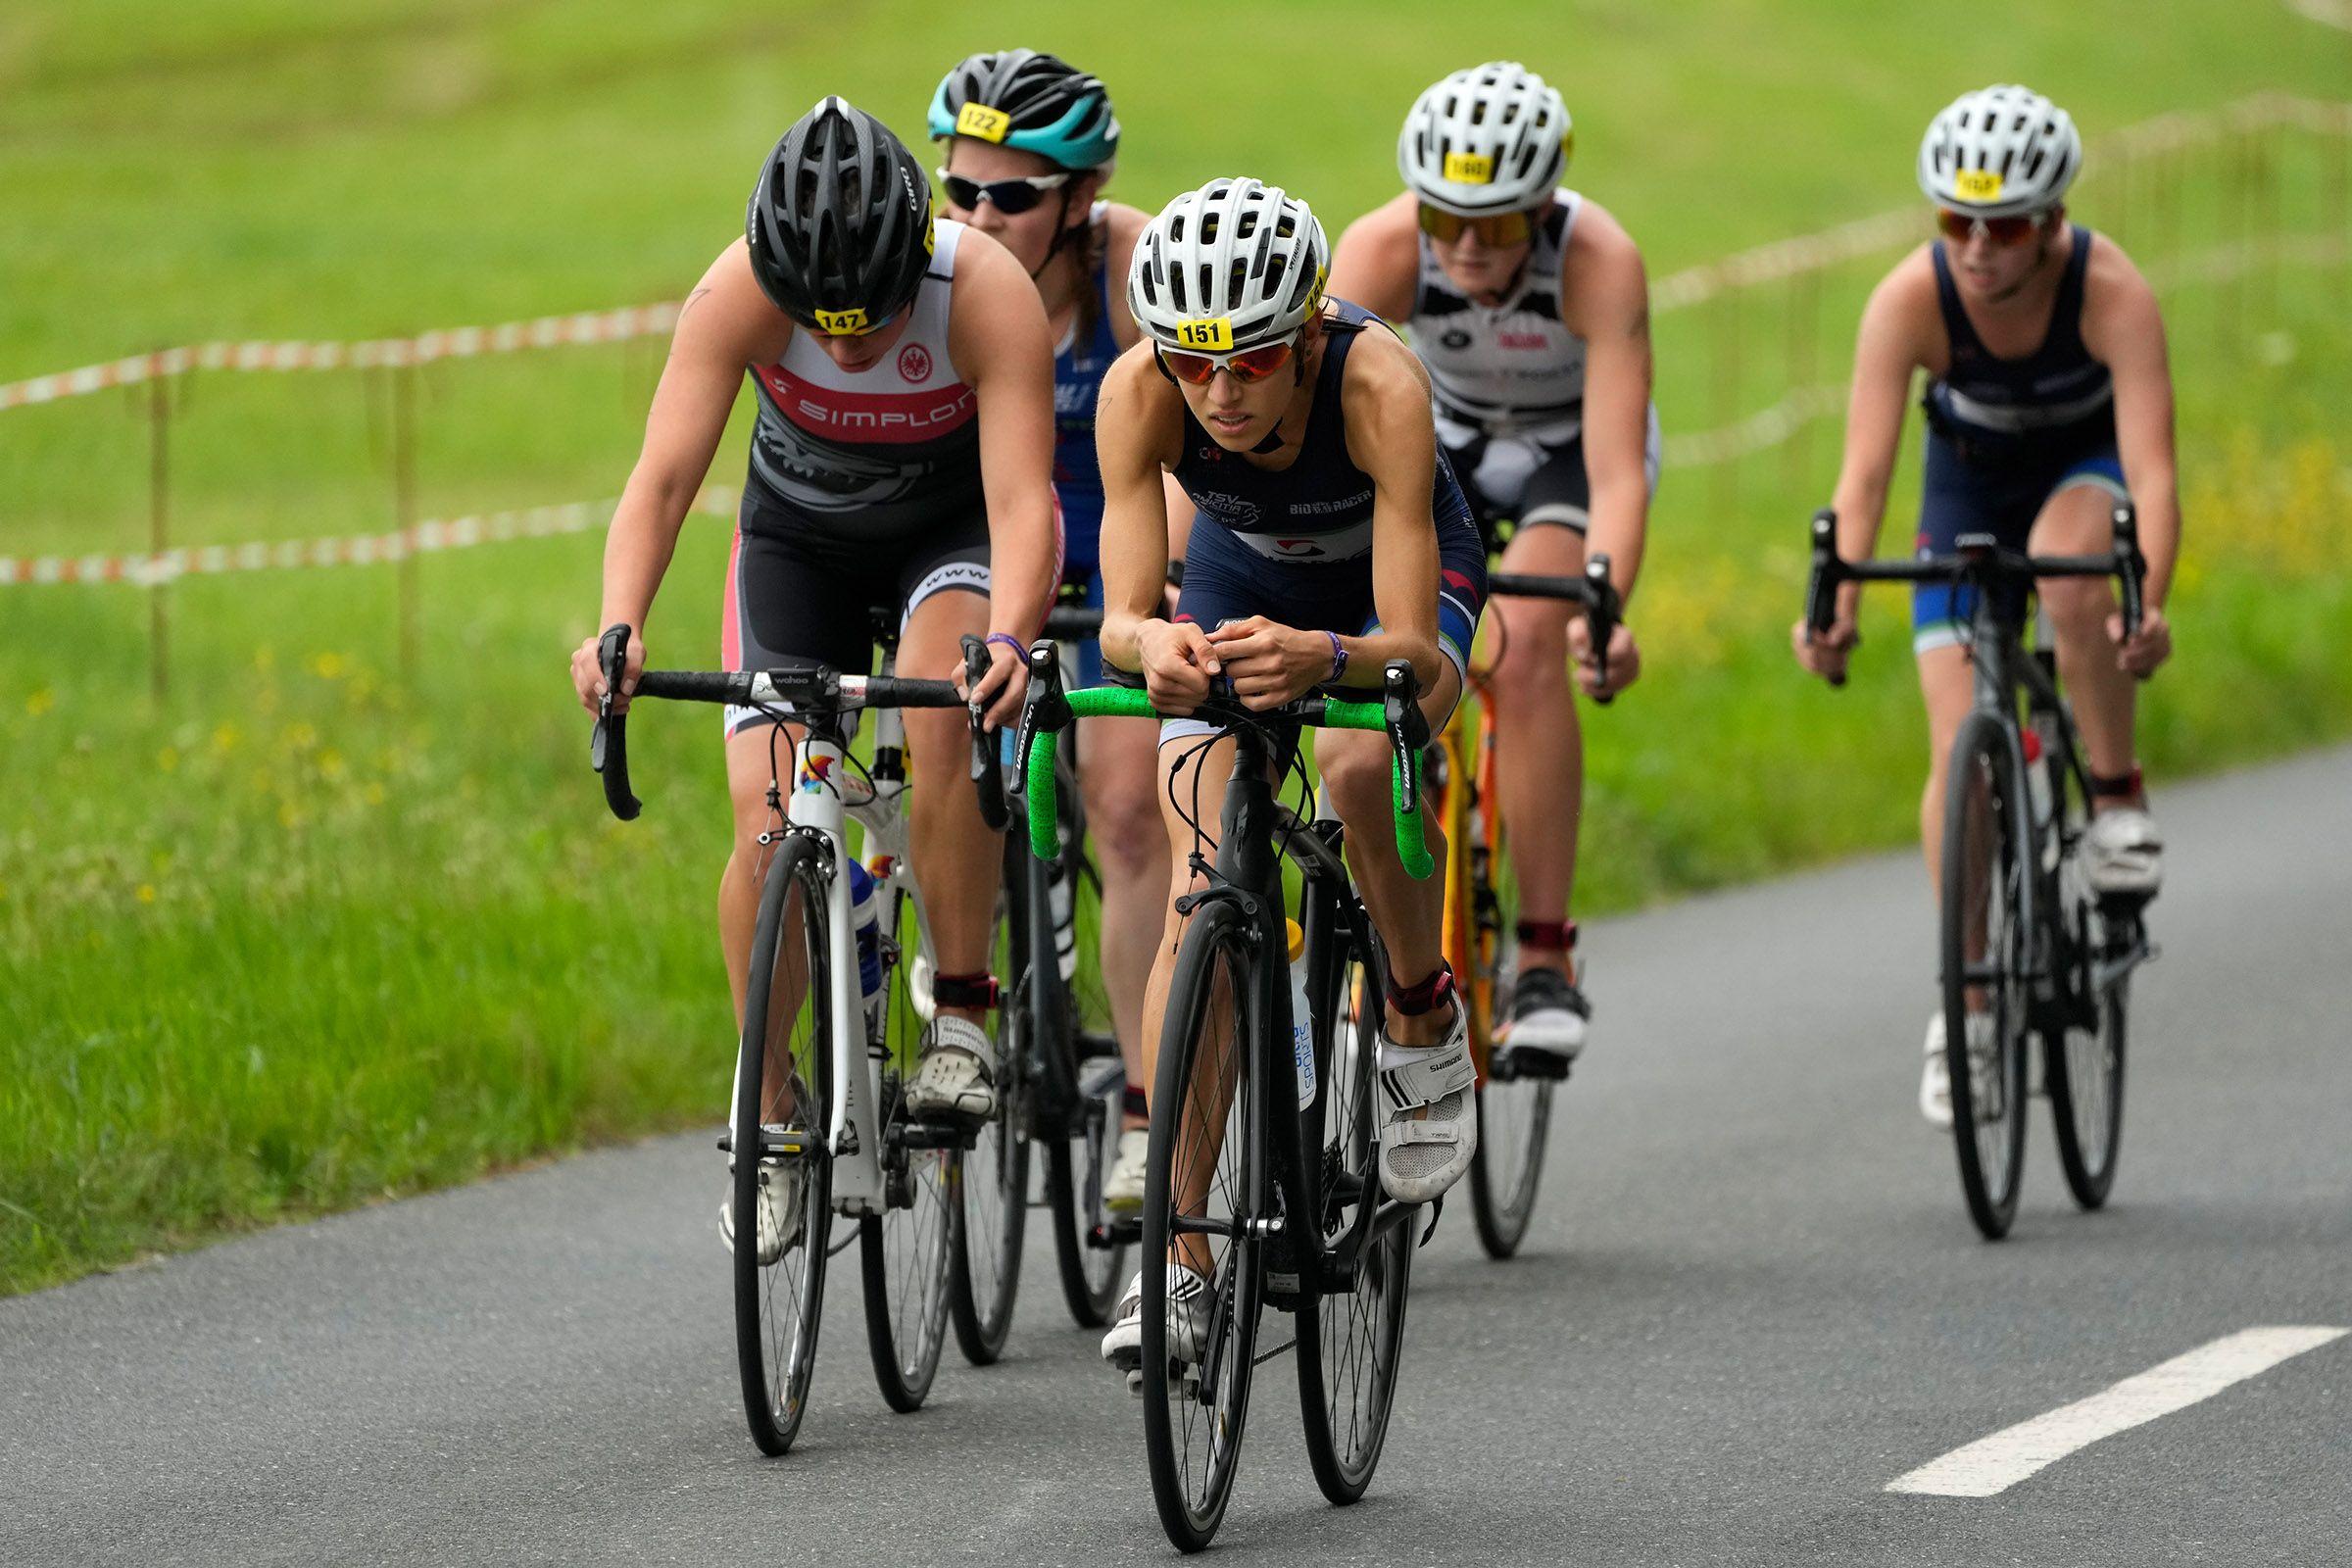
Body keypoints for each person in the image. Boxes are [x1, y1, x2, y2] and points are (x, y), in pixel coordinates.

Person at [567, 97, 1059, 1256]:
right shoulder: (737, 286)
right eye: (817, 322)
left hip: (947, 537)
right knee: (763, 816)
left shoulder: (984, 291)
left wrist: (1015, 639)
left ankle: (966, 1009)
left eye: (869, 320)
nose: (842, 345)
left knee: (942, 717)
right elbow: (661, 482)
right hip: (799, 539)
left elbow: (1024, 508)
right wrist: (618, 629)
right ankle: (774, 1107)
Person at [1090, 176, 1489, 1373]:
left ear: (1308, 335)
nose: (1218, 393)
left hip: (1378, 600)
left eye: (1253, 363)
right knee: (1194, 886)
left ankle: (1419, 1012)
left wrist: (1330, 656)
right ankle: (1179, 1259)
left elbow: (1413, 652)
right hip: (1236, 581)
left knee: (1366, 765)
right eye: (1193, 362)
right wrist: (1151, 643)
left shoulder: (1381, 386)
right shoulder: (1136, 393)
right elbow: (1118, 617)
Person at [1791, 84, 2178, 1127]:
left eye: (2002, 226)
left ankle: (2112, 790)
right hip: (1966, 489)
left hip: (2083, 477)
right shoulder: (1909, 300)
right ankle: (1963, 1007)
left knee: (2067, 562)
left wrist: (2150, 602)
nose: (1976, 247)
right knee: (1959, 741)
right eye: (1955, 221)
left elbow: (2155, 466)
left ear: (2053, 224)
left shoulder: (2111, 291)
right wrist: (1835, 602)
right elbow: (1864, 477)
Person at [1328, 61, 1655, 1067]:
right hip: (1448, 436)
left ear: (1546, 205)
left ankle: (1547, 955)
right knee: (1381, 633)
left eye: (1502, 225)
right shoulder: (1384, 249)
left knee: (1528, 645)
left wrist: (1605, 605)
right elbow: (1330, 425)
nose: (1468, 247)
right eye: (1446, 219)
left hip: (1567, 446)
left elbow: (1615, 467)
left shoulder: (1599, 259)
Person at [927, 49, 1177, 1214]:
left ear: (1080, 198)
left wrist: (1138, 594)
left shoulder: (1134, 264)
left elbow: (1189, 459)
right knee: (929, 728)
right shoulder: (941, 275)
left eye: (1012, 196)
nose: (979, 217)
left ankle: (1142, 1104)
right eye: (960, 191)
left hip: (1132, 540)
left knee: (1130, 808)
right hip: (996, 544)